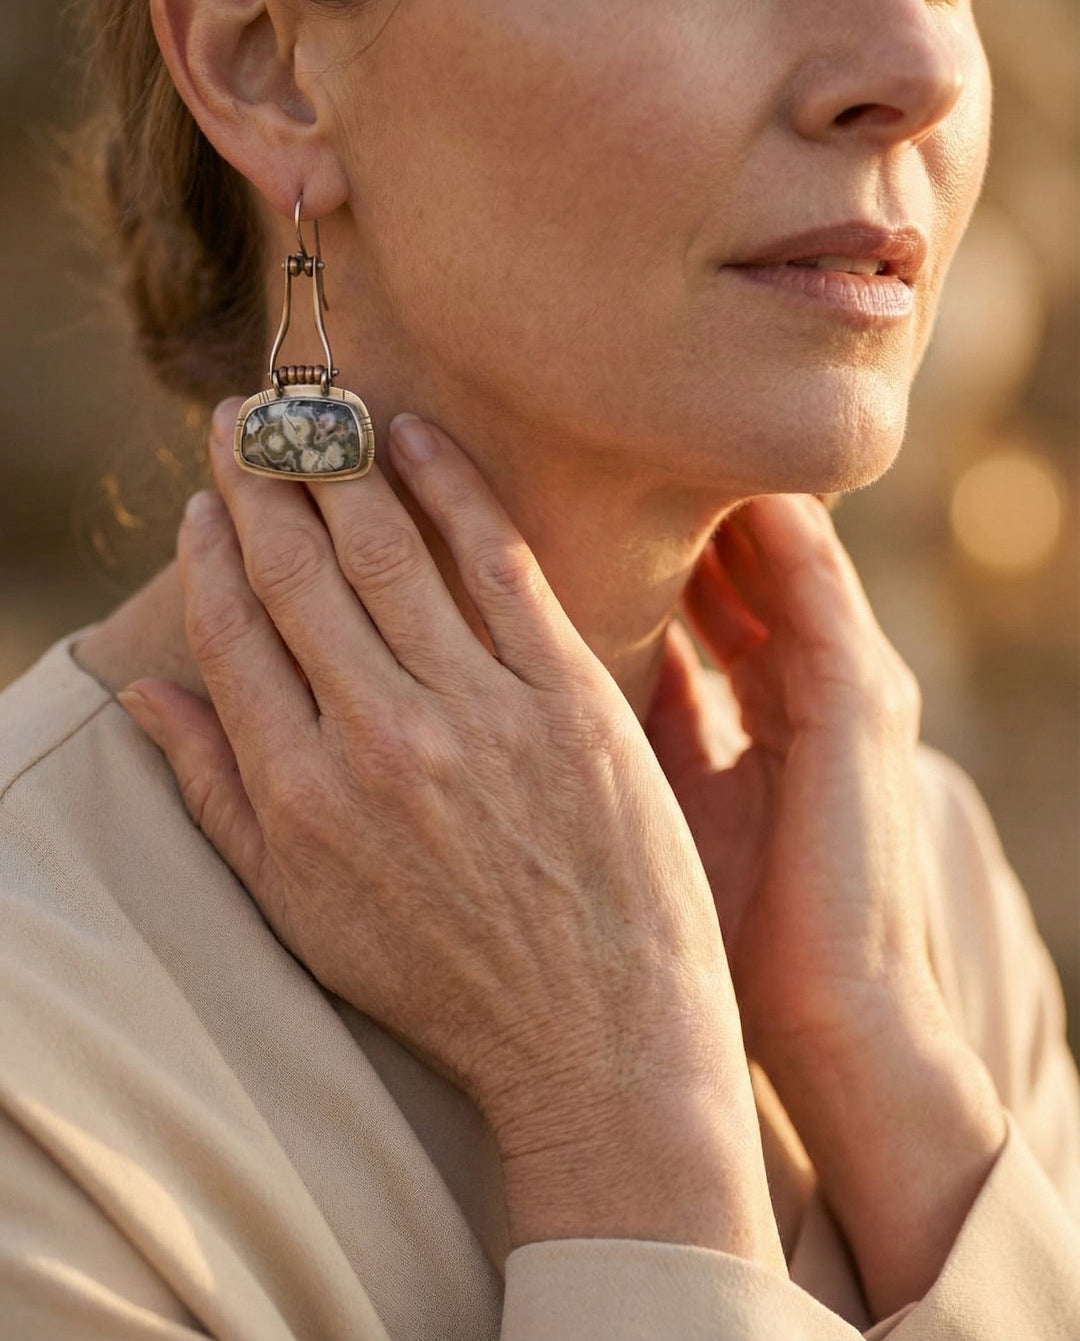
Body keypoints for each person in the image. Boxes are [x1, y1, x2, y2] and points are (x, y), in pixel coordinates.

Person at [2, 1, 1078, 1337]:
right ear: (269, 67)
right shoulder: (36, 1076)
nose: (917, 66)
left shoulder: (918, 897)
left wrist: (892, 1087)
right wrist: (632, 1124)